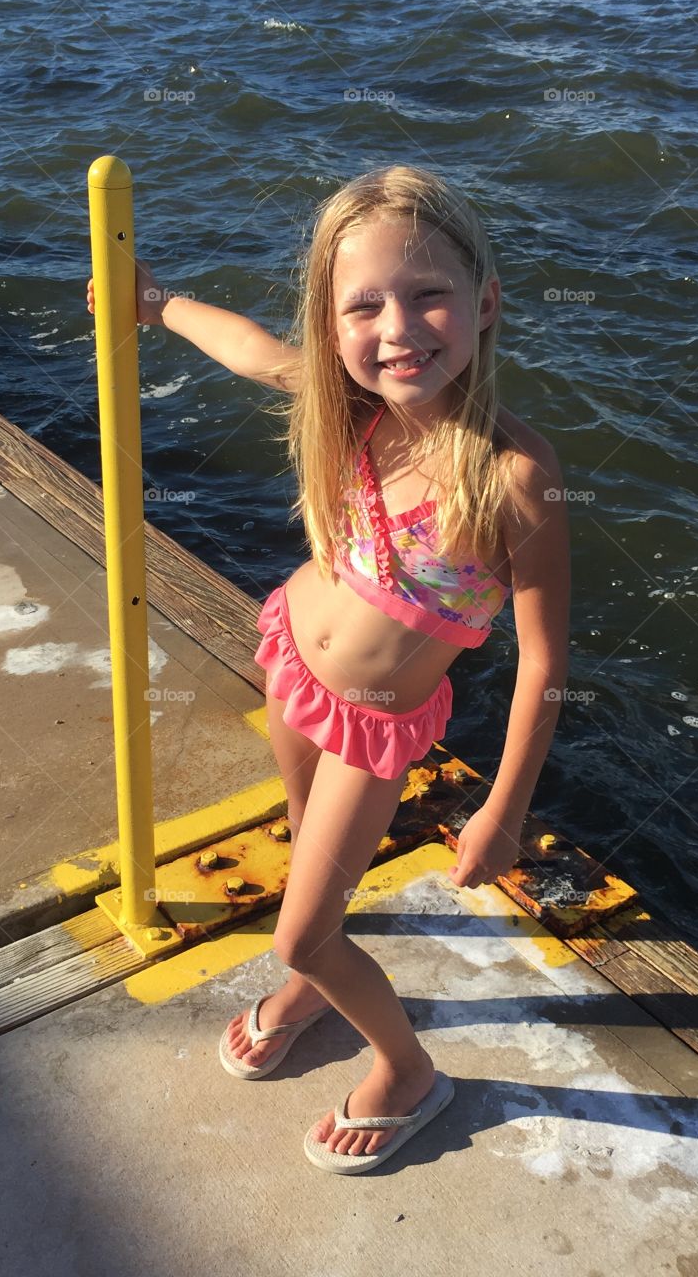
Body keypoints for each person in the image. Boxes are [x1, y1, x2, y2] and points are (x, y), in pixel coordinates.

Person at [86, 164, 570, 1173]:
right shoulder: (350, 406)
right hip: (292, 666)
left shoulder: (517, 475)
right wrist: (157, 303)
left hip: (372, 723)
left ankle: (405, 1069)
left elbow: (544, 662)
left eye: (429, 293)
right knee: (309, 850)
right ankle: (313, 990)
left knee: (302, 927)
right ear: (332, 320)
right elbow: (254, 353)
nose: (398, 329)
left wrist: (506, 809)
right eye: (364, 305)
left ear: (485, 303)